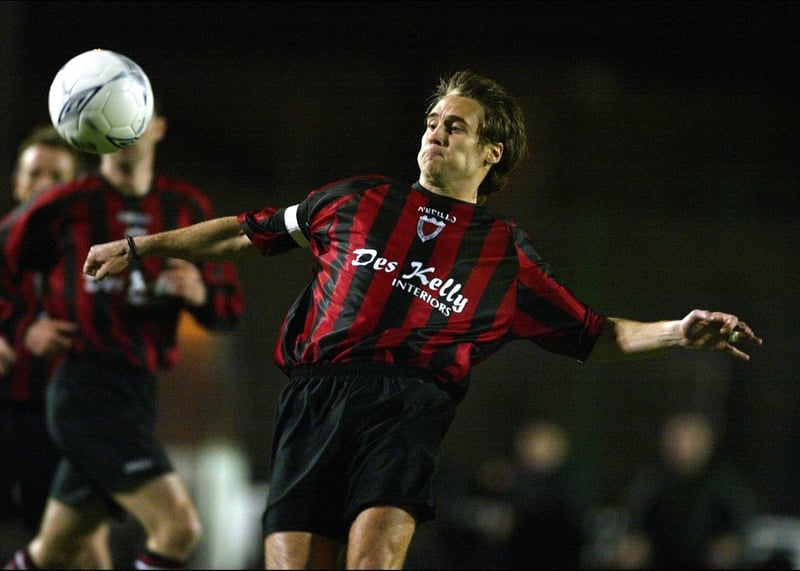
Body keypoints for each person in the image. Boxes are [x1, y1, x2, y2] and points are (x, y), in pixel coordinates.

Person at [81, 70, 763, 570]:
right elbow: (243, 231)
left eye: (455, 126)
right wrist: (141, 246)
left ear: (491, 153)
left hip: (406, 409)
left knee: (374, 559)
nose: (435, 133)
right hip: (314, 398)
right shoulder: (354, 200)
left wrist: (679, 329)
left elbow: (595, 334)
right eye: (432, 123)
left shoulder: (505, 255)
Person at [0, 108, 244, 569]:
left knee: (59, 551)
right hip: (84, 389)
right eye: (112, 117)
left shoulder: (185, 208)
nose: (125, 129)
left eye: (135, 117)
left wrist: (201, 294)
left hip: (138, 394)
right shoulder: (66, 203)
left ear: (158, 126)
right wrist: (20, 327)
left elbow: (228, 310)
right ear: (94, 133)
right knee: (179, 527)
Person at [1, 126, 112, 568]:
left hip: (69, 420)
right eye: (34, 174)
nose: (42, 185)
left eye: (56, 176)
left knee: (84, 546)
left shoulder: (94, 257)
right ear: (16, 183)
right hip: (7, 411)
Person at [610, 413, 763, 569]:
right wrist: (634, 543)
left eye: (690, 440)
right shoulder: (652, 478)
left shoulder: (723, 479)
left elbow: (744, 517)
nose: (683, 447)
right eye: (676, 440)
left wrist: (733, 543)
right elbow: (634, 516)